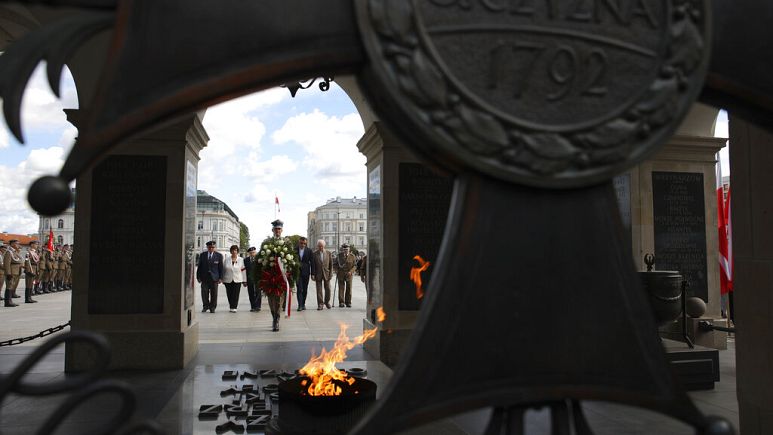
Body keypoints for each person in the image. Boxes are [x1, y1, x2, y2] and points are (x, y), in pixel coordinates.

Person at [252, 219, 294, 331]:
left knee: (280, 299)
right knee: (271, 299)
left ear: (282, 230)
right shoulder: (267, 243)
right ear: (272, 230)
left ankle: (277, 319)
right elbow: (260, 257)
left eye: (279, 229)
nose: (277, 231)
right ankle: (273, 316)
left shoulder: (287, 243)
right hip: (269, 276)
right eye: (276, 229)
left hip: (282, 276)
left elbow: (291, 258)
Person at [196, 241, 223, 313]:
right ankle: (205, 306)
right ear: (207, 247)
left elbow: (221, 268)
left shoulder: (219, 255)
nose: (211, 248)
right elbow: (199, 267)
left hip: (214, 278)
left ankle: (212, 307)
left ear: (214, 247)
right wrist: (198, 277)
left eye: (213, 247)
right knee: (204, 293)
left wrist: (220, 278)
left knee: (214, 293)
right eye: (209, 247)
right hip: (204, 277)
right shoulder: (202, 255)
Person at [222, 245, 247, 313]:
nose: (234, 251)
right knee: (229, 293)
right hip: (228, 278)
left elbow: (243, 270)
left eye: (235, 250)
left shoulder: (241, 259)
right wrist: (222, 279)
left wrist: (245, 280)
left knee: (236, 294)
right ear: (230, 251)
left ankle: (234, 307)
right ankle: (231, 305)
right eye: (232, 250)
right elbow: (224, 269)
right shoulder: (227, 259)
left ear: (237, 251)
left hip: (237, 279)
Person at [311, 239, 333, 310]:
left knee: (328, 289)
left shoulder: (328, 253)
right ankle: (320, 304)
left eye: (322, 246)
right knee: (319, 290)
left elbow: (331, 265)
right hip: (318, 274)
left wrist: (331, 273)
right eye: (319, 246)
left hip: (326, 273)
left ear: (324, 246)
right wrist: (313, 274)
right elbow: (313, 265)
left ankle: (327, 302)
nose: (321, 248)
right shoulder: (314, 254)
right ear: (317, 246)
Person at [3, 240, 23, 307]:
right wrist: (8, 273)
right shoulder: (9, 252)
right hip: (11, 272)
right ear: (12, 244)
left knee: (11, 286)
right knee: (9, 286)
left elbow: (19, 260)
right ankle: (7, 302)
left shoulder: (14, 252)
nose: (18, 244)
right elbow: (7, 263)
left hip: (15, 272)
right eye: (17, 243)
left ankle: (10, 301)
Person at [296, 237, 313, 311]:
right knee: (299, 289)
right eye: (301, 243)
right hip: (297, 272)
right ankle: (299, 305)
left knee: (305, 289)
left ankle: (303, 304)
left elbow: (312, 263)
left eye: (304, 243)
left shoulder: (309, 251)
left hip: (306, 272)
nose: (302, 245)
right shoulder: (294, 250)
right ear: (299, 243)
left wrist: (313, 273)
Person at [244, 247, 261, 312]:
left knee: (258, 292)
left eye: (253, 252)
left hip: (257, 278)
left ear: (255, 253)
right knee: (251, 292)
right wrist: (244, 280)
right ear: (249, 253)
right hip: (249, 279)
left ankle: (258, 306)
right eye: (251, 253)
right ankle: (253, 306)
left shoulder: (259, 259)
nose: (252, 254)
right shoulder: (246, 260)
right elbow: (244, 270)